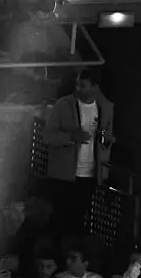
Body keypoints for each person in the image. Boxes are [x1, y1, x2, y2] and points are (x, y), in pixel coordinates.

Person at [44, 73, 113, 239]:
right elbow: (48, 136)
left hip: (90, 175)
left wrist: (105, 140)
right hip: (63, 174)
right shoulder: (63, 105)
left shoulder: (106, 108)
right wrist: (71, 137)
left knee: (78, 221)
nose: (78, 89)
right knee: (60, 220)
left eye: (83, 85)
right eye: (77, 84)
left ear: (95, 88)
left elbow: (106, 137)